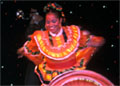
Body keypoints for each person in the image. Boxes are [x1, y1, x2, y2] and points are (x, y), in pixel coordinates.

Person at [21, 2, 105, 85]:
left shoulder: (71, 33)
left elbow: (89, 40)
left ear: (60, 20)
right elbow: (30, 48)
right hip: (52, 77)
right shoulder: (41, 36)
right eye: (48, 22)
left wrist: (95, 41)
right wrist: (23, 50)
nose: (51, 25)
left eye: (54, 21)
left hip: (71, 74)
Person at [17, 8, 45, 85]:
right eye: (31, 13)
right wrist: (32, 24)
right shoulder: (33, 25)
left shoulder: (47, 22)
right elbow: (28, 37)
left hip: (47, 59)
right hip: (34, 60)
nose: (32, 15)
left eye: (34, 13)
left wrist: (41, 22)